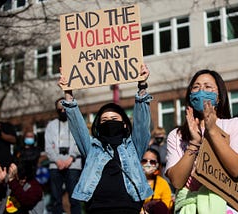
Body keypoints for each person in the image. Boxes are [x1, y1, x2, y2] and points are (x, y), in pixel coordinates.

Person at [58, 64, 153, 214]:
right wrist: (68, 94)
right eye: (104, 120)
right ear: (98, 125)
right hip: (97, 209)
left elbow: (141, 125)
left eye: (114, 118)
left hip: (129, 209)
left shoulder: (133, 146)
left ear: (123, 123)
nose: (109, 121)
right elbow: (78, 128)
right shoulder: (93, 148)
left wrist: (142, 86)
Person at [165, 69, 238, 214]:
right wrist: (194, 142)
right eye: (196, 87)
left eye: (208, 87)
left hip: (226, 206)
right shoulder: (176, 135)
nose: (201, 91)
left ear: (219, 97)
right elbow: (177, 181)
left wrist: (212, 130)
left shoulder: (237, 125)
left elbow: (237, 169)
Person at [44, 97, 82, 214]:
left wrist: (71, 158)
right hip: (56, 165)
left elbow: (81, 143)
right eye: (59, 110)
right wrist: (57, 160)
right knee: (56, 198)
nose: (62, 112)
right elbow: (48, 147)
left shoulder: (76, 123)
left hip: (73, 164)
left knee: (75, 198)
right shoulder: (51, 125)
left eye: (64, 109)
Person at [0, 104, 17, 214]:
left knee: (8, 198)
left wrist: (1, 134)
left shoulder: (5, 126)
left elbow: (14, 139)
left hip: (6, 167)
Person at [141, 148, 172, 214]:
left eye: (152, 162)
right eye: (144, 161)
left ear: (158, 165)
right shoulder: (133, 182)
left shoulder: (162, 183)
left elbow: (166, 205)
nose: (148, 164)